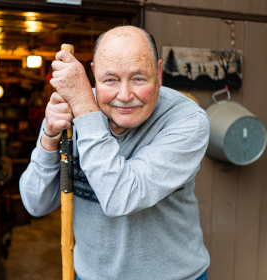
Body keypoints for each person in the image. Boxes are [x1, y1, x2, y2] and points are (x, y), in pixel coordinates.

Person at [20, 25, 210, 280]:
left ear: (159, 73)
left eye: (138, 78)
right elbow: (35, 203)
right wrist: (49, 139)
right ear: (94, 74)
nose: (124, 95)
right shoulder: (72, 109)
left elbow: (121, 197)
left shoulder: (186, 121)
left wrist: (85, 109)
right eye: (110, 79)